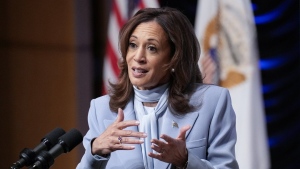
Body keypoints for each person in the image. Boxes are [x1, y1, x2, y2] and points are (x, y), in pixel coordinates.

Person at [77, 7, 239, 169]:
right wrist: (95, 150)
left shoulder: (212, 102)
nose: (138, 57)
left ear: (175, 58)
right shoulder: (102, 109)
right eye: (133, 45)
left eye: (151, 48)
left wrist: (186, 160)